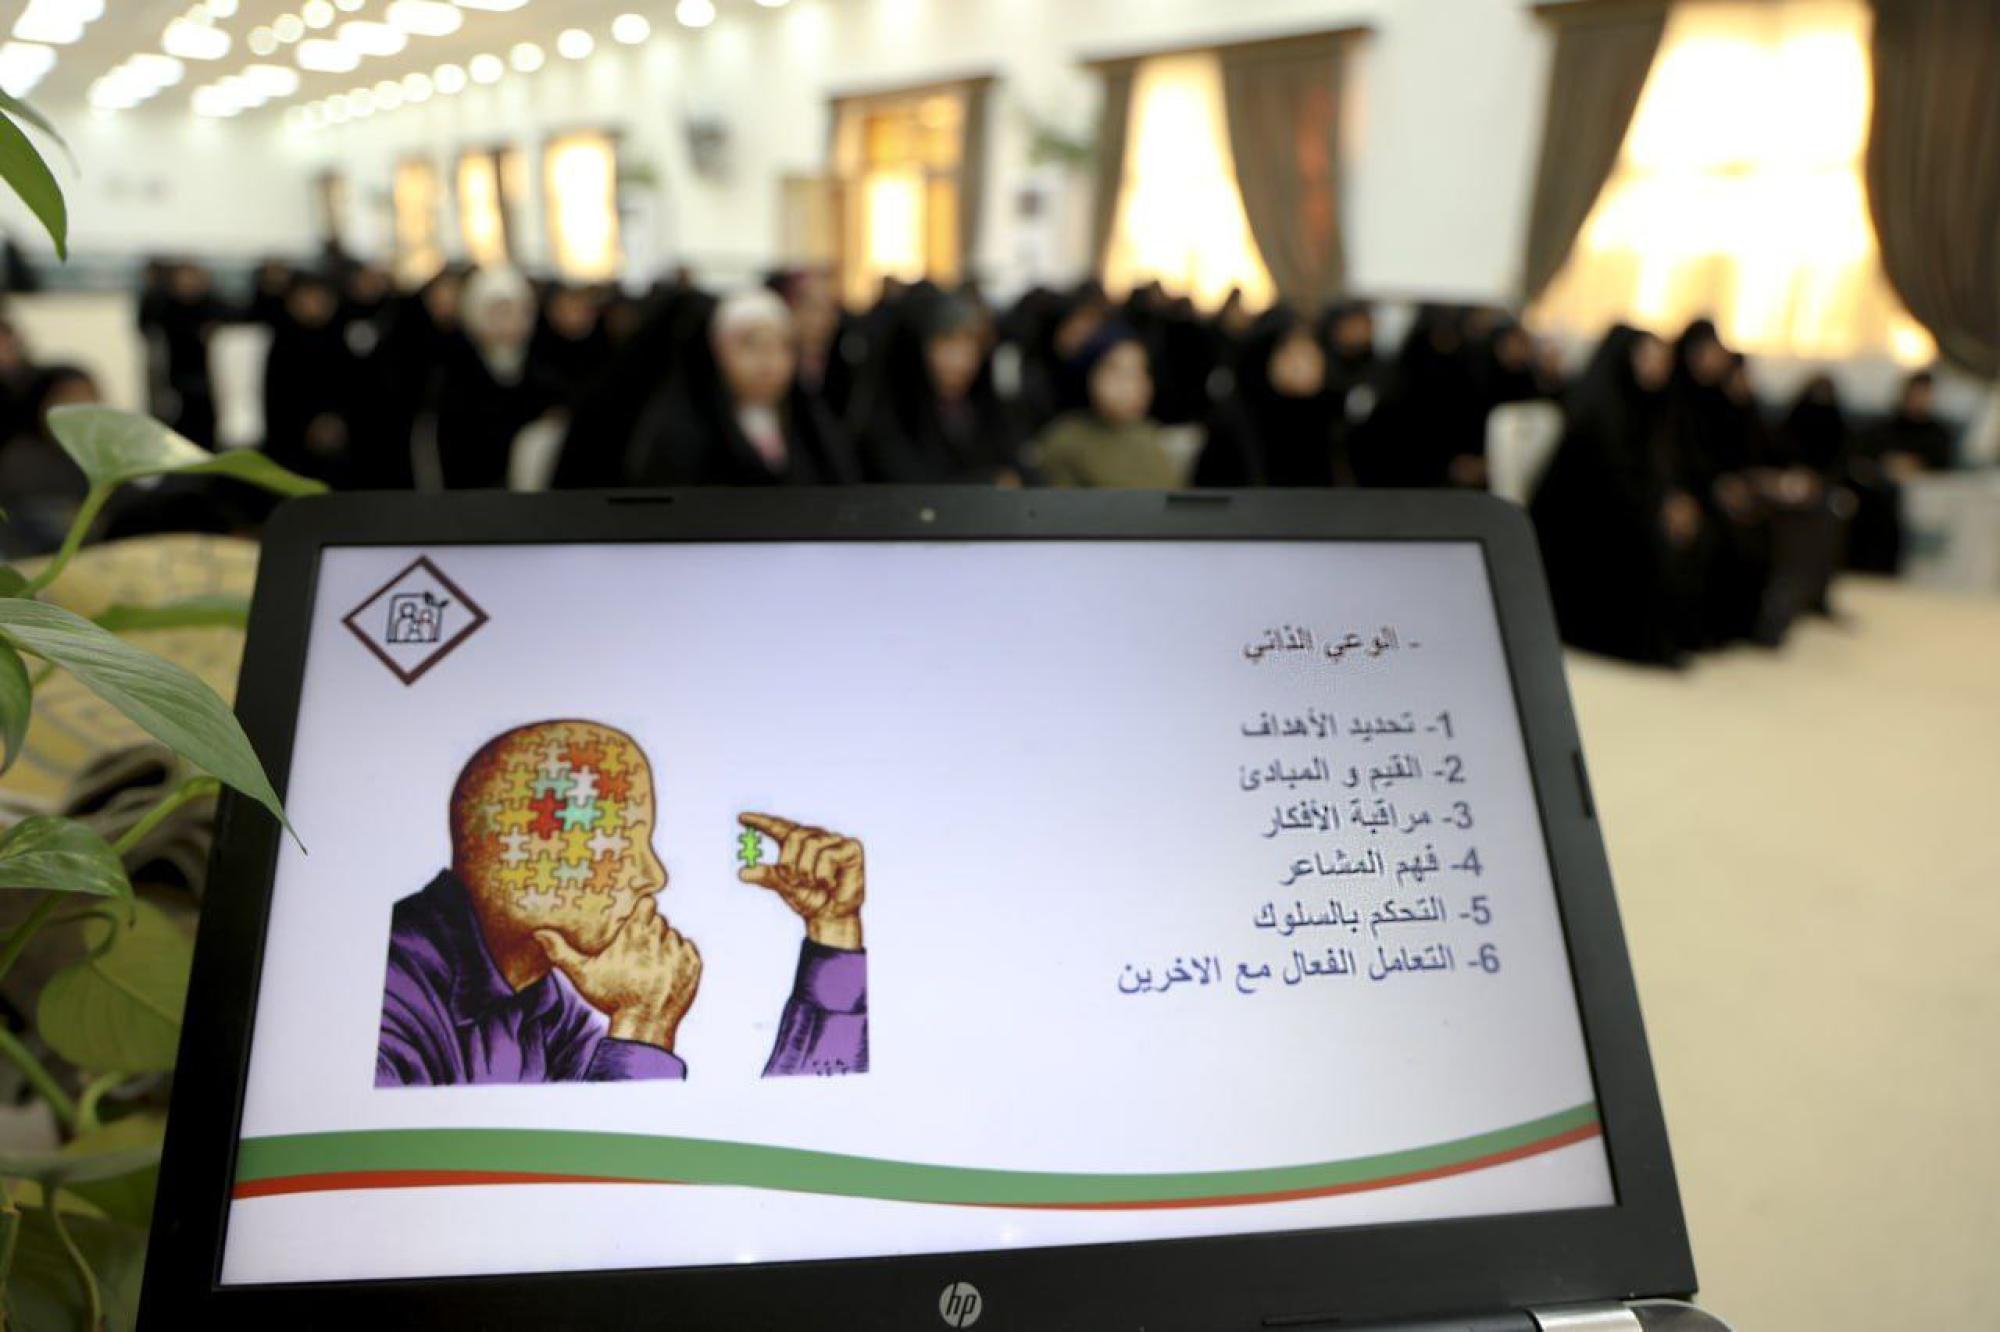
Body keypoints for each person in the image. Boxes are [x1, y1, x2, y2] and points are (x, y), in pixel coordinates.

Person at [376, 719, 869, 1085]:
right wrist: (643, 1026)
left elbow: (780, 1135)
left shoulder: (544, 1013)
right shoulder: (388, 1003)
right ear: (518, 853)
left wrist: (833, 934)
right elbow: (606, 1170)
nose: (654, 876)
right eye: (618, 846)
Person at [1529, 326, 1705, 666]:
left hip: (1632, 505)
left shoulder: (1652, 408)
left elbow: (1659, 469)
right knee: (1646, 541)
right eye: (1648, 357)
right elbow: (1599, 485)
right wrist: (1656, 509)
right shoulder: (1598, 410)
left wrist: (1671, 503)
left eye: (1661, 359)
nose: (1657, 367)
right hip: (1588, 518)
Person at [625, 288, 858, 486]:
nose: (768, 361)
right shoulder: (680, 437)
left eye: (782, 346)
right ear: (716, 350)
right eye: (751, 344)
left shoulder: (813, 430)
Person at [854, 293, 1027, 483]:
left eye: (972, 348)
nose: (962, 362)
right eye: (948, 346)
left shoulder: (981, 406)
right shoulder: (890, 419)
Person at [433, 266, 560, 489]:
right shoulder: (456, 378)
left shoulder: (545, 377)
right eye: (502, 311)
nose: (514, 321)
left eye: (523, 310)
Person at [1194, 308, 1352, 487]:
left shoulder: (1335, 419)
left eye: (1310, 353)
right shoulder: (1237, 424)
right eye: (1291, 354)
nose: (1302, 366)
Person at [1032, 324, 1180, 489]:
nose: (1133, 385)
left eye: (1140, 372)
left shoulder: (1150, 435)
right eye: (1119, 372)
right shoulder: (1064, 440)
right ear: (1090, 375)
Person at [1845, 370, 1957, 572]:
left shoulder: (1939, 435)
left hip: (1925, 499)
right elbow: (1861, 460)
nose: (1918, 399)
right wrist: (1886, 467)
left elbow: (1945, 470)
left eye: (1924, 394)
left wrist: (1916, 469)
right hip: (1878, 494)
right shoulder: (1881, 429)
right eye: (1915, 393)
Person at [261, 272, 359, 487]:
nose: (314, 305)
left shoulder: (344, 344)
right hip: (292, 450)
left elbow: (355, 391)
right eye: (307, 298)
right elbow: (278, 397)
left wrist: (337, 422)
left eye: (321, 298)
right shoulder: (283, 346)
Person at [0, 365, 98, 558]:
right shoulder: (22, 460)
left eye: (90, 396)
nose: (83, 406)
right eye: (69, 398)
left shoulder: (99, 456)